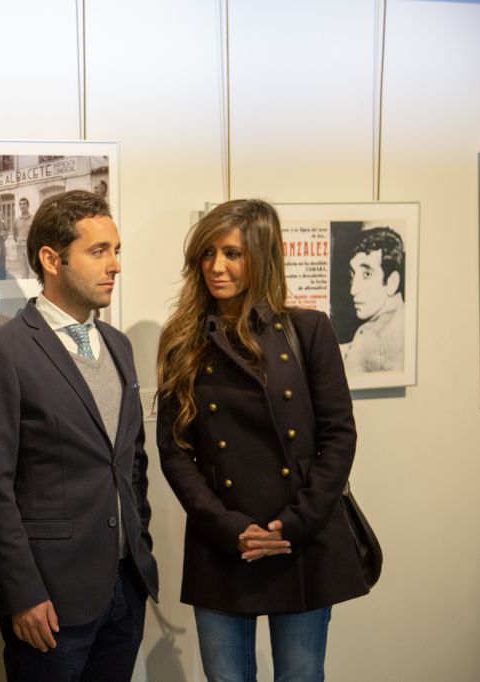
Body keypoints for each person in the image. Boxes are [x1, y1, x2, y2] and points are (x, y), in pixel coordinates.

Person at [155, 199, 369, 682]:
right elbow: (174, 451)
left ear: (262, 255)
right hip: (222, 542)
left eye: (232, 253)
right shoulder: (182, 340)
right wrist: (229, 527)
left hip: (298, 539)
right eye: (207, 253)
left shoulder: (308, 331)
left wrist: (291, 525)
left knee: (301, 675)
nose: (216, 266)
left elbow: (339, 436)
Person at [0, 190, 159, 681]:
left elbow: (131, 461)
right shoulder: (4, 350)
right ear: (51, 259)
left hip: (125, 586)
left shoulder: (118, 345)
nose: (115, 265)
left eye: (116, 250)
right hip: (50, 599)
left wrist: (140, 543)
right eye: (98, 251)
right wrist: (21, 591)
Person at [341, 226, 405, 373]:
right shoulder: (405, 315)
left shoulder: (367, 335)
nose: (353, 290)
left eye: (367, 274)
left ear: (391, 283)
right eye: (353, 274)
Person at [11, 197, 34, 278]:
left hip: (30, 248)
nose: (22, 206)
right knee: (23, 273)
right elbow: (15, 234)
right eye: (20, 204)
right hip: (20, 248)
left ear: (28, 205)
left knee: (33, 273)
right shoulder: (16, 220)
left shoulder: (33, 218)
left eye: (24, 204)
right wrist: (19, 241)